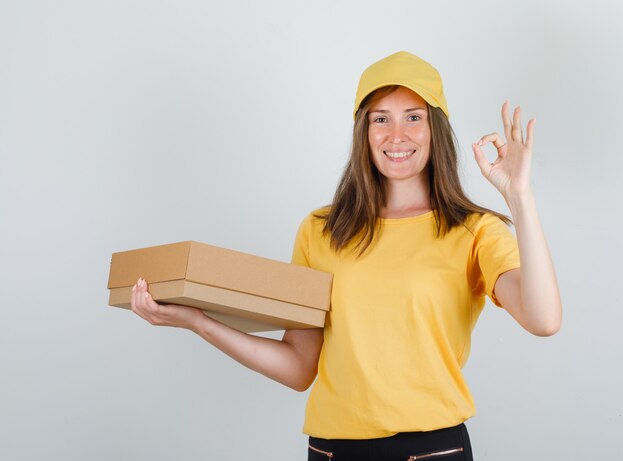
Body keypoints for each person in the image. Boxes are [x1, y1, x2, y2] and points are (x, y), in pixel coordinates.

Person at [130, 51, 562, 460]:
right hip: (333, 451)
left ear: (436, 129)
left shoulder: (472, 230)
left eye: (414, 118)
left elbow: (543, 320)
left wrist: (520, 197)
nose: (397, 136)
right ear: (364, 130)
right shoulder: (321, 230)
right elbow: (300, 367)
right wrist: (197, 321)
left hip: (432, 450)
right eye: (381, 119)